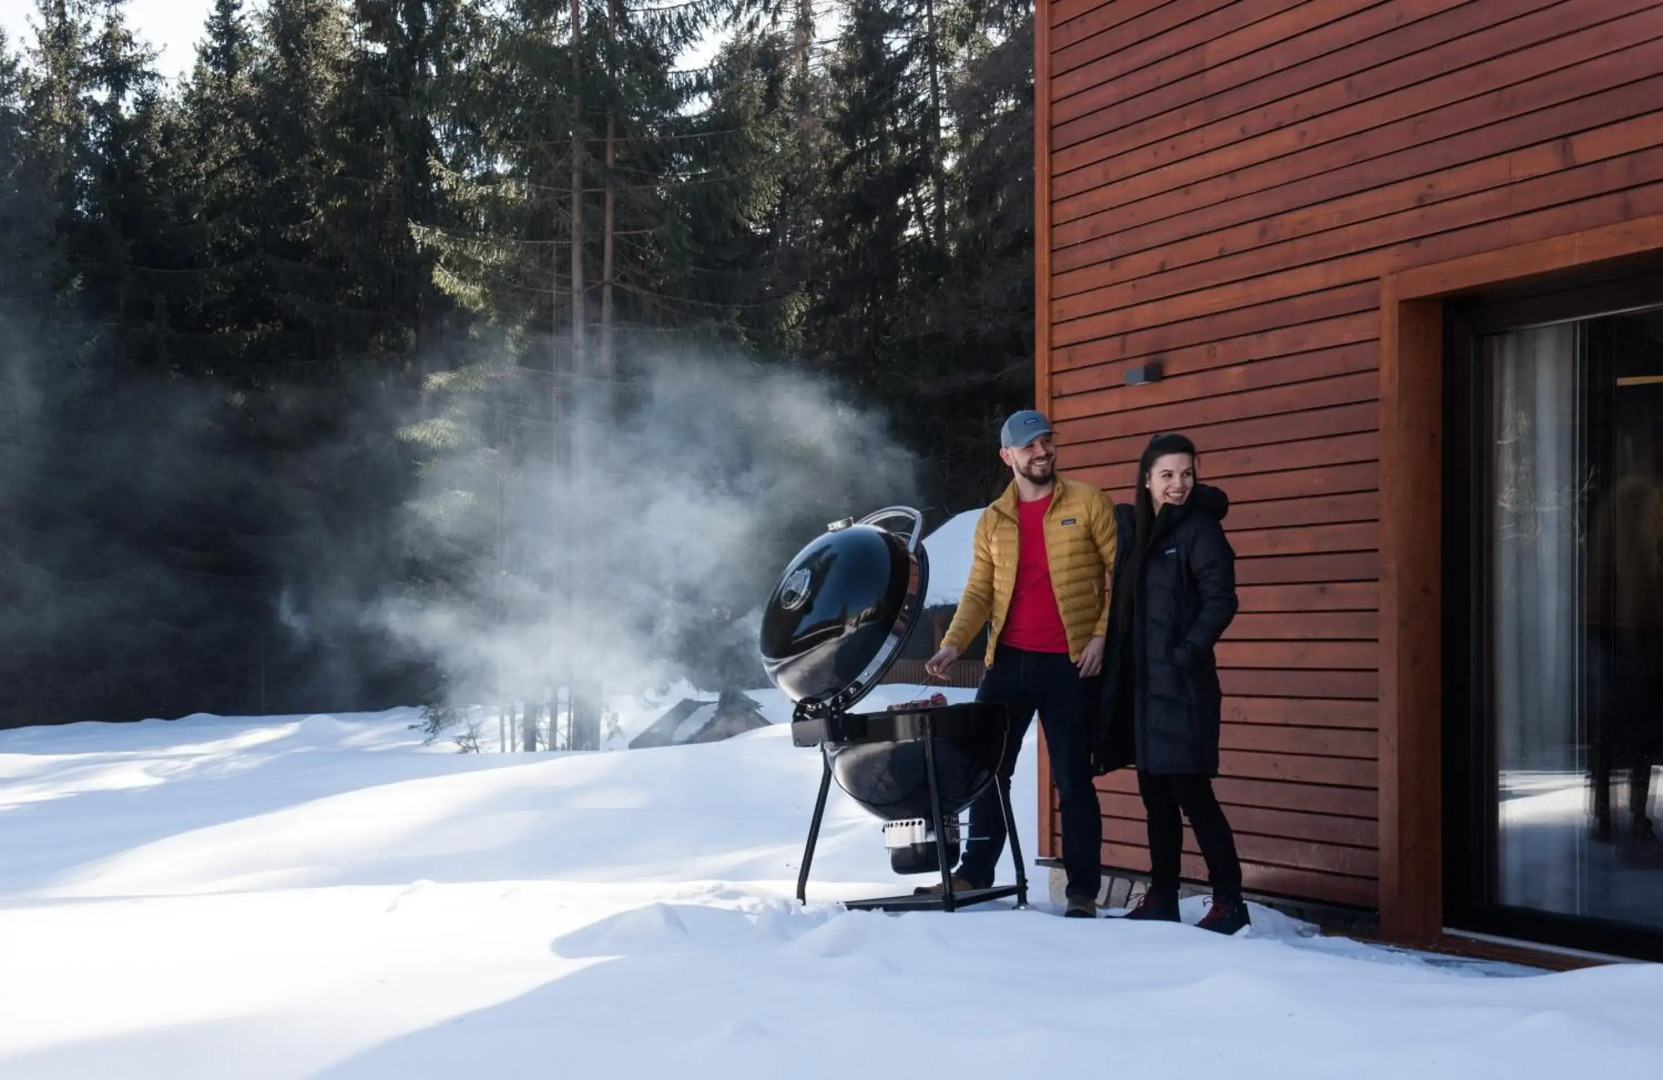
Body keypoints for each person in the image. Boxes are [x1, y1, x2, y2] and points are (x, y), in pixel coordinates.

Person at [925, 409, 1118, 918]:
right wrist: (953, 643)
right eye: (1029, 446)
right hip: (1007, 662)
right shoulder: (994, 518)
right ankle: (974, 874)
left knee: (1074, 779)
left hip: (1070, 664)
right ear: (1007, 456)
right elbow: (979, 591)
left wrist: (1102, 635)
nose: (1042, 453)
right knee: (989, 770)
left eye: (1046, 443)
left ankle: (1081, 892)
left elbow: (1121, 575)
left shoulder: (1088, 502)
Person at [1099, 432, 1249, 935]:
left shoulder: (1199, 530)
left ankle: (1230, 903)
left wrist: (1184, 654)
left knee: (1193, 795)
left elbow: (1221, 600)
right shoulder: (1143, 534)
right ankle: (1163, 895)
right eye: (1168, 475)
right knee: (1155, 797)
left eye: (1187, 473)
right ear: (1147, 480)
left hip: (1182, 689)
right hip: (1145, 693)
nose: (1179, 484)